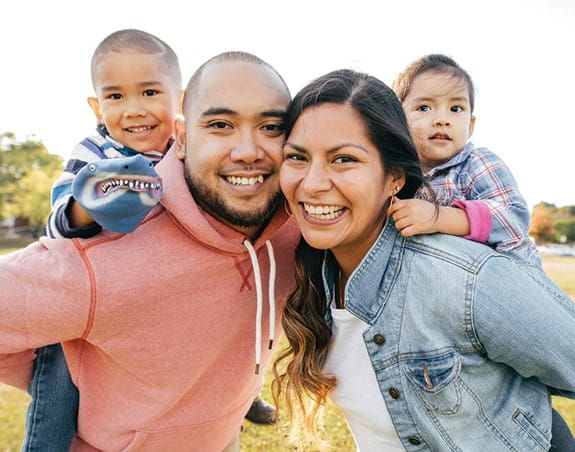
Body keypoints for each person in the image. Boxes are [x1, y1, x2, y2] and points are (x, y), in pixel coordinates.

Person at [0, 51, 299, 451]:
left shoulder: (297, 228)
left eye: (271, 126)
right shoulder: (104, 255)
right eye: (220, 125)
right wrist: (74, 372)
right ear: (183, 137)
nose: (247, 150)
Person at [273, 69, 575, 451]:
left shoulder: (465, 279)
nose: (313, 183)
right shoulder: (315, 275)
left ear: (395, 178)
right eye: (297, 157)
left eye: (344, 159)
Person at [24, 28, 182, 452]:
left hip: (153, 297)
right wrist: (88, 203)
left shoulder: (186, 147)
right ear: (97, 106)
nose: (133, 110)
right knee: (58, 385)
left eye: (149, 92)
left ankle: (242, 402)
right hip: (79, 302)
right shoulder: (94, 151)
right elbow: (55, 225)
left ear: (181, 99)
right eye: (115, 97)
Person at [390, 54, 540, 267]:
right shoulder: (397, 177)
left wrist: (438, 217)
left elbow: (513, 218)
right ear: (397, 121)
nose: (442, 120)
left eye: (455, 109)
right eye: (424, 108)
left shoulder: (476, 163)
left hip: (514, 279)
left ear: (470, 125)